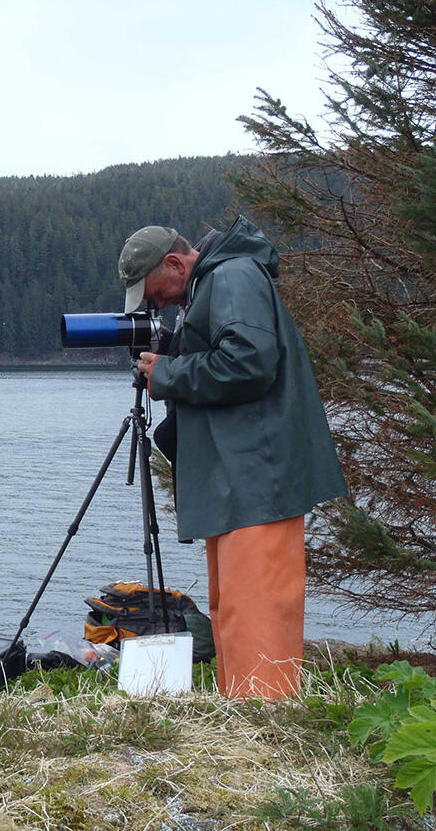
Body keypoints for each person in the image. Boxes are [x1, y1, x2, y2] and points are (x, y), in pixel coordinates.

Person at [120, 217, 347, 699]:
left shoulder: (232, 277)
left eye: (153, 292)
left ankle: (267, 725)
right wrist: (172, 360)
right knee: (233, 609)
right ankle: (243, 714)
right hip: (238, 477)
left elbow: (249, 362)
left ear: (175, 263)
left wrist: (170, 373)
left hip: (256, 477)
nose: (155, 305)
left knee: (257, 609)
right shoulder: (210, 285)